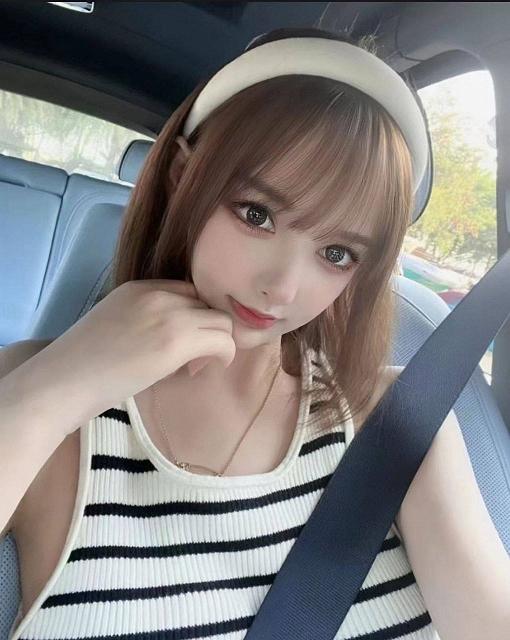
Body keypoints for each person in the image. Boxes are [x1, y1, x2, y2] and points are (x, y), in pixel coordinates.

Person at [1, 25, 441, 640]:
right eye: (257, 214)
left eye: (337, 254)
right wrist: (54, 390)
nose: (282, 288)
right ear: (183, 178)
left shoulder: (396, 414)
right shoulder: (32, 383)